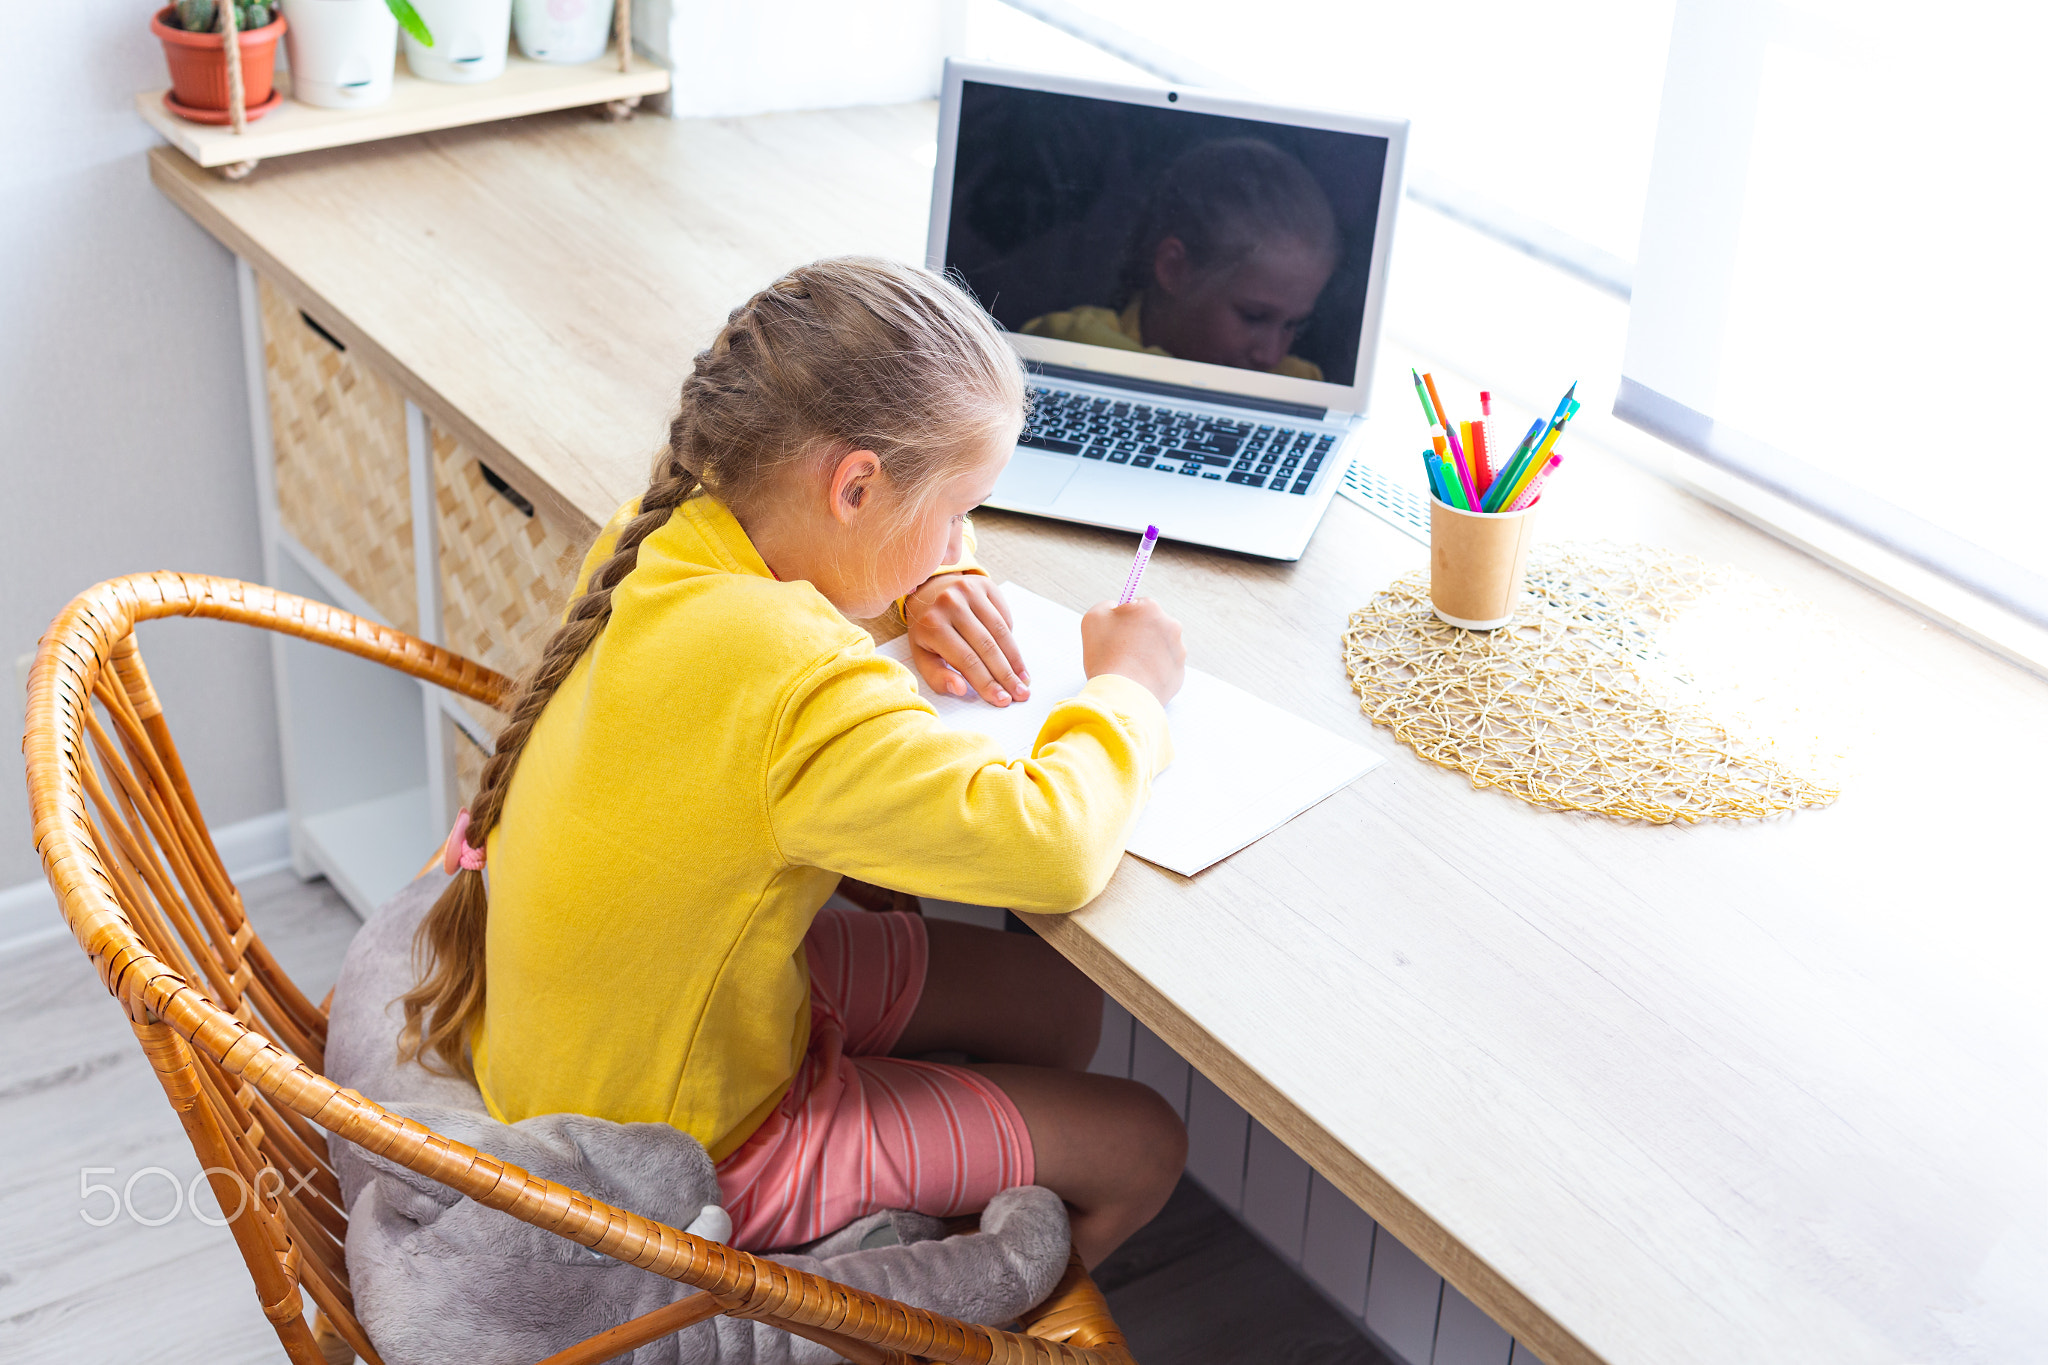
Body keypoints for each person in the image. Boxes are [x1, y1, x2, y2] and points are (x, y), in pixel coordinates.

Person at [398, 257, 1189, 1268]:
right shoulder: (794, 678)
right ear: (854, 484)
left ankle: (951, 1166)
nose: (964, 539)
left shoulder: (671, 537)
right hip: (679, 1137)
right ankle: (930, 1286)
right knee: (1144, 1141)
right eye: (956, 513)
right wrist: (1128, 690)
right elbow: (1050, 848)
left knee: (1057, 998)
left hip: (604, 1034)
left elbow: (838, 592)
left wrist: (931, 578)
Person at [1023, 137, 1340, 380]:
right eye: (1253, 316)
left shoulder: (1297, 382)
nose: (1270, 355)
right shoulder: (1076, 344)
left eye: (1293, 325)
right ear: (1174, 268)